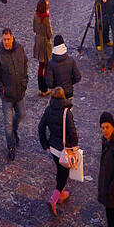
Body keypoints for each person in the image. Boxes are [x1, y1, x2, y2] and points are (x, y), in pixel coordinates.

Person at [38, 86, 79, 216]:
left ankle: (61, 194)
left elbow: (41, 127)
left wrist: (45, 143)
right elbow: (72, 132)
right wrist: (75, 145)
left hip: (53, 148)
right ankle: (54, 198)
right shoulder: (67, 112)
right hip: (64, 149)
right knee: (64, 175)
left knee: (59, 171)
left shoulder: (48, 110)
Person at [0, 27, 28, 161]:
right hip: (7, 95)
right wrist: (2, 88)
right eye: (4, 39)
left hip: (19, 92)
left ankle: (15, 131)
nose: (6, 42)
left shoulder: (20, 49)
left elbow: (25, 64)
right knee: (8, 125)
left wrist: (25, 81)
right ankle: (11, 146)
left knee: (21, 114)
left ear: (12, 38)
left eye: (8, 39)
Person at [48, 34, 82, 99]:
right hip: (69, 92)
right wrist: (69, 83)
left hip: (57, 95)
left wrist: (56, 86)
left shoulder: (51, 63)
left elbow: (49, 83)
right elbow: (78, 77)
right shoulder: (71, 61)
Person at [32, 0, 54, 95]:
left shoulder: (35, 15)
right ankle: (45, 88)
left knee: (40, 65)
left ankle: (40, 88)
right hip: (45, 42)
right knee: (46, 65)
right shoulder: (46, 18)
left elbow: (34, 29)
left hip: (38, 41)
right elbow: (49, 33)